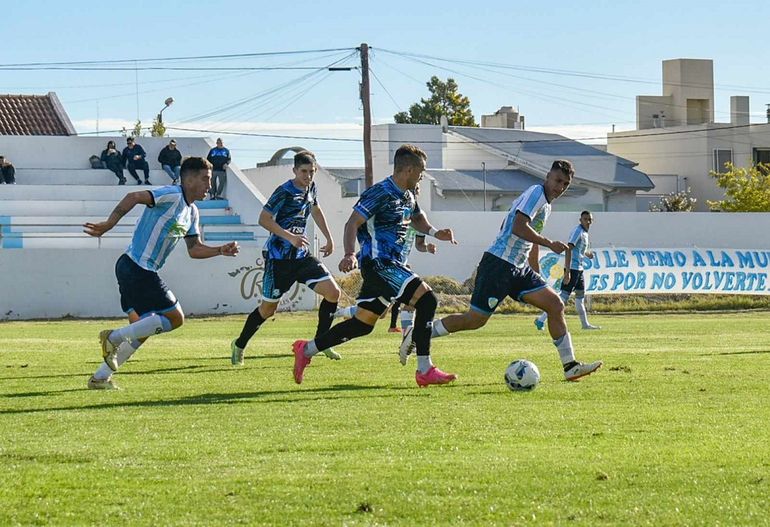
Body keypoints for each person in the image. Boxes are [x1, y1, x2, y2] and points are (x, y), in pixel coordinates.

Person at [400, 160, 602, 382]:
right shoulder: (537, 193)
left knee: (555, 304)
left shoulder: (545, 203)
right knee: (474, 320)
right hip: (499, 264)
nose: (560, 187)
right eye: (557, 180)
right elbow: (518, 227)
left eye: (565, 183)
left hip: (518, 268)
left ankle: (570, 366)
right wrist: (549, 243)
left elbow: (526, 236)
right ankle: (418, 334)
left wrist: (534, 270)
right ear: (547, 177)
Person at [291, 144, 458, 387]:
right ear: (408, 170)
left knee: (362, 324)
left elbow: (417, 218)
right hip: (380, 264)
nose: (422, 176)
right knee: (428, 300)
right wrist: (349, 253)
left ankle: (306, 350)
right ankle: (424, 368)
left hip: (391, 265)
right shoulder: (379, 192)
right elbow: (352, 223)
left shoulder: (408, 194)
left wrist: (435, 232)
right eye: (420, 171)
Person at [83, 157, 240, 390]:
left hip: (135, 269)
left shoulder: (192, 212)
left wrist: (220, 250)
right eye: (205, 179)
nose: (210, 184)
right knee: (175, 318)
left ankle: (100, 377)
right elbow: (133, 197)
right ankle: (112, 338)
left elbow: (194, 249)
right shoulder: (172, 194)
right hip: (138, 267)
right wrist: (108, 224)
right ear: (188, 179)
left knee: (143, 328)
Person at [230, 151, 342, 365]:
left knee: (333, 293)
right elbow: (264, 219)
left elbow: (316, 210)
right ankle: (239, 344)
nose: (308, 176)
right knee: (268, 309)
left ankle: (322, 343)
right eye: (304, 171)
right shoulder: (284, 191)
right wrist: (290, 237)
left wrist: (329, 238)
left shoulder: (311, 188)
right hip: (279, 259)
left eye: (312, 172)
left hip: (301, 256)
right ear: (294, 170)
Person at [535, 211, 601, 331]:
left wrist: (587, 254)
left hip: (579, 269)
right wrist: (567, 271)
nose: (588, 222)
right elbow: (568, 249)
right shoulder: (578, 232)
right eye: (585, 219)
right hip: (573, 269)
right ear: (580, 220)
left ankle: (585, 325)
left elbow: (578, 250)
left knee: (580, 297)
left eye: (590, 219)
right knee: (562, 298)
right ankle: (541, 319)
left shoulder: (585, 233)